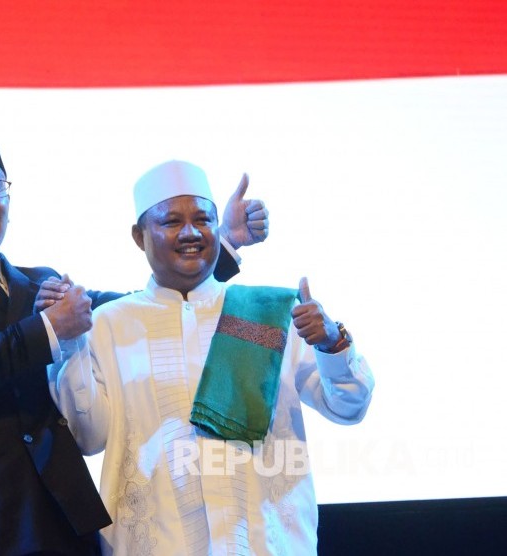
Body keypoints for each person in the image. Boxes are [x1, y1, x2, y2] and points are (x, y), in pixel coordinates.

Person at [0, 125, 269, 555]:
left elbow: (144, 310)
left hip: (60, 525)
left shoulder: (40, 283)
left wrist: (215, 245)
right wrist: (49, 328)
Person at [48, 160, 375, 555]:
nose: (190, 233)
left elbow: (348, 407)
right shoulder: (107, 326)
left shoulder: (268, 310)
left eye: (203, 219)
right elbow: (88, 437)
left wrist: (331, 344)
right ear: (139, 236)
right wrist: (68, 348)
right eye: (171, 222)